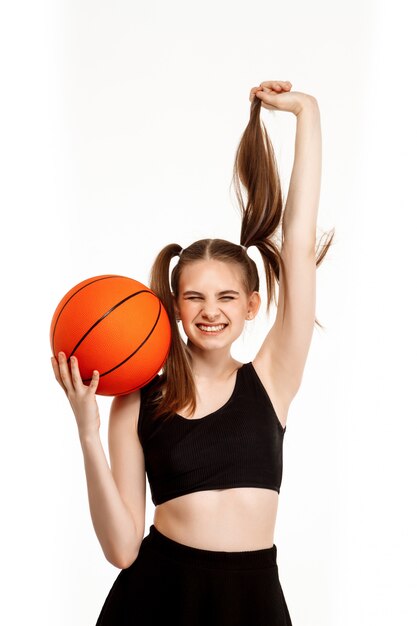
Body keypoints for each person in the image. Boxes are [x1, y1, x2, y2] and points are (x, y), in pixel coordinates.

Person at [51, 80, 334, 625]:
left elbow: (297, 247)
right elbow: (121, 550)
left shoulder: (273, 377)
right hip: (158, 597)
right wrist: (87, 431)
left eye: (227, 296)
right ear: (174, 306)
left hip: (253, 600)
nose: (211, 311)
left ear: (252, 306)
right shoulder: (135, 400)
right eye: (195, 297)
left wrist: (307, 113)